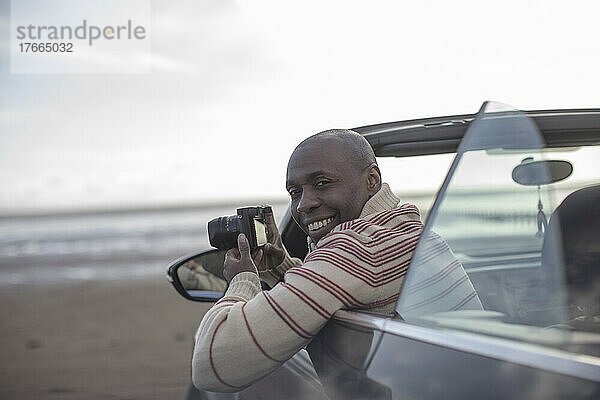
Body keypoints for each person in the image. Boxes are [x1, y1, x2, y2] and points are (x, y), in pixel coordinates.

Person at [192, 129, 481, 392]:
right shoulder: (403, 228)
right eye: (295, 192)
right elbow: (350, 286)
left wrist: (243, 280)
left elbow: (211, 366)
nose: (305, 203)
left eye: (322, 183)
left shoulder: (357, 247)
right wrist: (283, 267)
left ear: (372, 180)